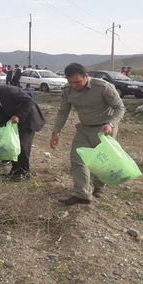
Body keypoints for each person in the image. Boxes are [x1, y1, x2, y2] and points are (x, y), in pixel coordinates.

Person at [50, 63, 126, 205]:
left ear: (86, 76)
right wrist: (56, 131)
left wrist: (111, 124)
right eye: (71, 82)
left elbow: (119, 108)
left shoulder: (103, 87)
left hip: (104, 129)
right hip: (84, 129)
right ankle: (82, 194)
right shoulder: (67, 90)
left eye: (77, 82)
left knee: (102, 160)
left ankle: (99, 187)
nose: (74, 86)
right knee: (77, 159)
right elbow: (63, 111)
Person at [0, 82, 45, 181]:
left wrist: (19, 116)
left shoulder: (9, 91)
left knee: (22, 146)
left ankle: (24, 174)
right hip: (15, 121)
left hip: (28, 119)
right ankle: (15, 171)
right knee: (12, 145)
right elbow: (1, 110)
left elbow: (28, 102)